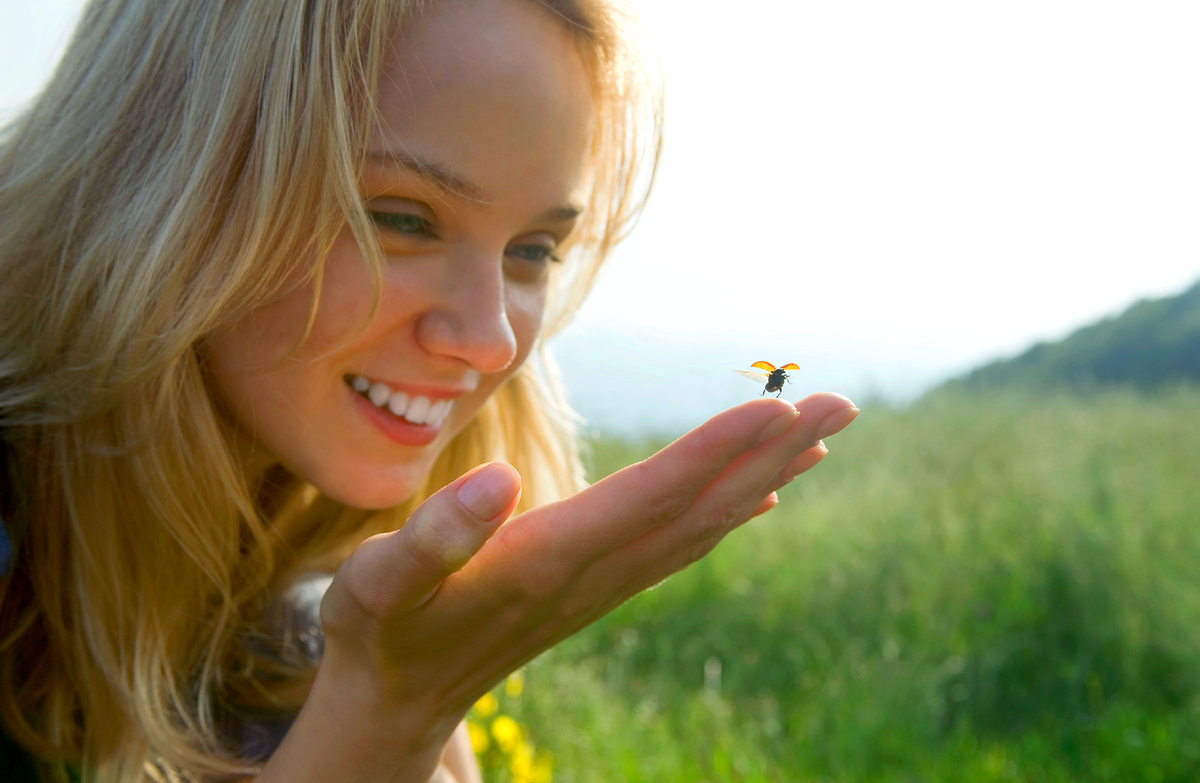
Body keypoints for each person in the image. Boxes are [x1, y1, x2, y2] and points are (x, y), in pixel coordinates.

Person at [0, 0, 859, 780]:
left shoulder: (288, 616)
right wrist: (384, 715)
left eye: (533, 249)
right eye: (402, 218)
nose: (490, 340)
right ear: (162, 175)